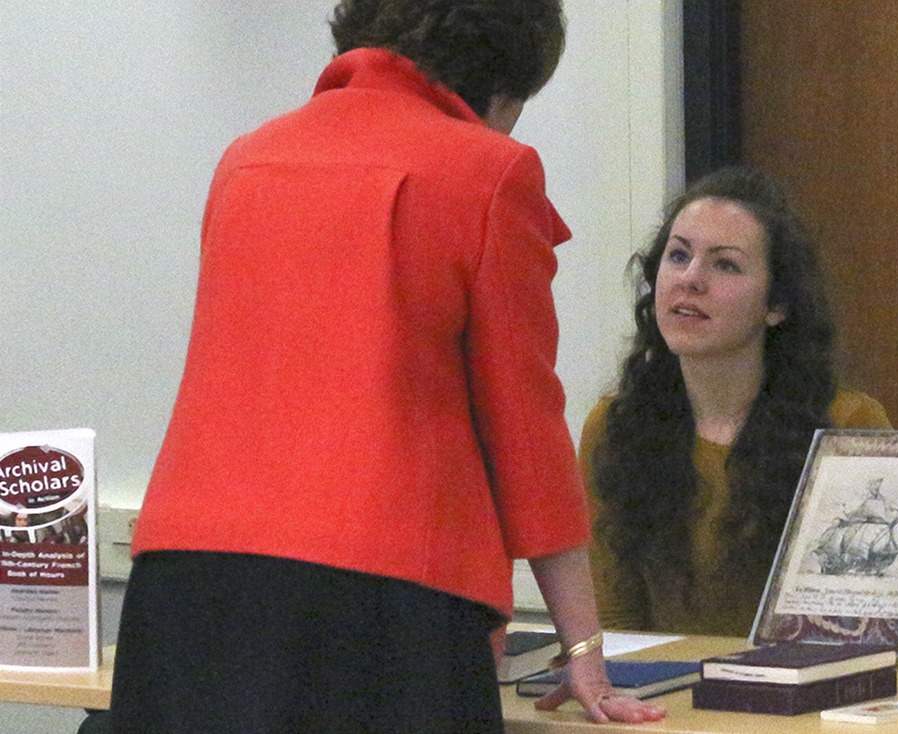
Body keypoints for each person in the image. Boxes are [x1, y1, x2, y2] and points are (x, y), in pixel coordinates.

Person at [108, 1, 665, 731]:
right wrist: (584, 648)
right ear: (503, 85)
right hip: (378, 601)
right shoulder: (490, 170)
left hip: (183, 587)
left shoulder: (245, 159)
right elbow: (526, 433)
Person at [582, 167, 892, 636]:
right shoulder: (614, 425)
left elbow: (865, 621)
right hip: (664, 696)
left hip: (799, 691)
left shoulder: (846, 424)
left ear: (776, 305)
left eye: (724, 264)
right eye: (678, 255)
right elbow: (615, 620)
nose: (690, 279)